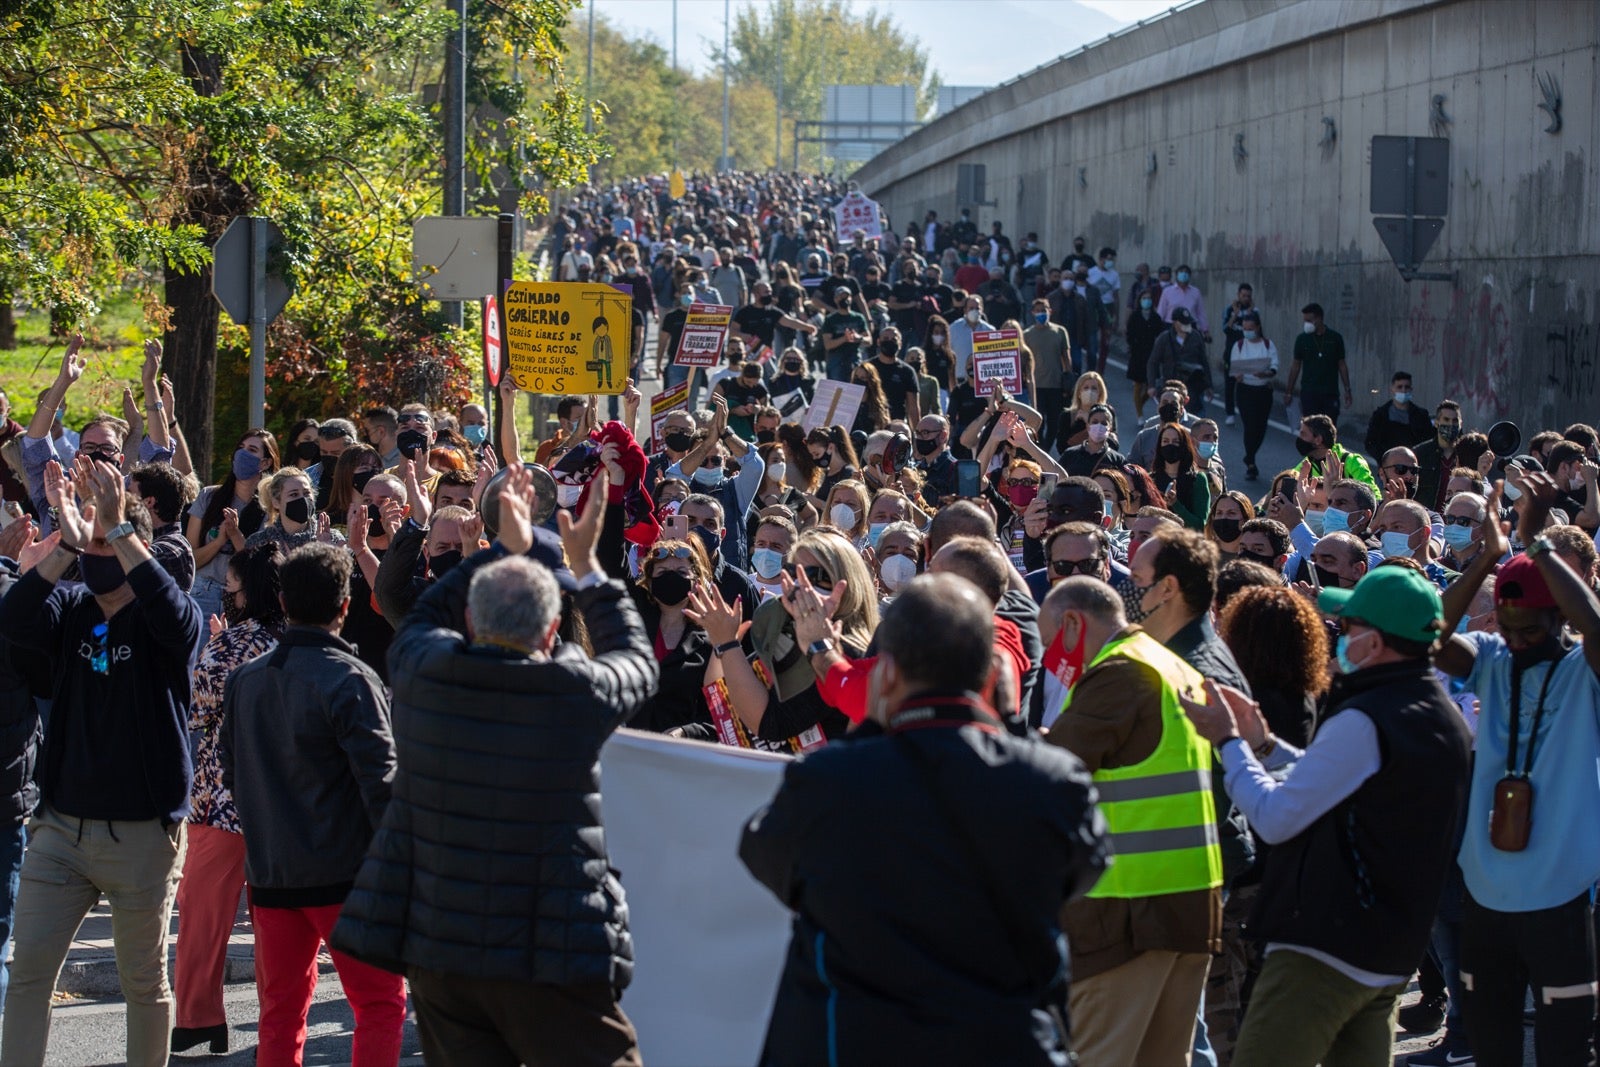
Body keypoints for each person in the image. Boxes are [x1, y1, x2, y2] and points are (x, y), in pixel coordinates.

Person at [333, 466, 654, 1066]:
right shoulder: (575, 690)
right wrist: (585, 569)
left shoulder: (424, 670)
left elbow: (419, 612)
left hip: (441, 949)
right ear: (555, 627)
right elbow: (636, 660)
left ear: (473, 620)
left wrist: (496, 548)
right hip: (552, 949)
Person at [739, 573, 1107, 1066]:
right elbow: (1085, 867)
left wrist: (871, 723)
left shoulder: (832, 780)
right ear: (991, 674)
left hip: (851, 1042)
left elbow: (765, 856)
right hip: (1004, 1045)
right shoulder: (1052, 782)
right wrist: (1013, 727)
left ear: (886, 674)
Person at [1183, 566, 1471, 1067]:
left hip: (1323, 948)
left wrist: (1228, 742)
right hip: (1389, 948)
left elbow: (1274, 818)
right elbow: (1345, 784)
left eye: (1349, 627)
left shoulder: (1367, 716)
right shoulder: (1439, 714)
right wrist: (1264, 745)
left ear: (1375, 642)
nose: (1339, 635)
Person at [0, 458, 203, 1067]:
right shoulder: (69, 608)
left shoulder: (164, 612)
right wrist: (66, 540)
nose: (94, 557)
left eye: (104, 543)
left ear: (130, 542)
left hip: (142, 834)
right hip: (60, 830)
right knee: (29, 973)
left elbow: (178, 621)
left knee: (144, 985)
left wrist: (116, 528)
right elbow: (14, 620)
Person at [1433, 479, 1600, 1067]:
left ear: (1559, 618)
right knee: (1492, 1049)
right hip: (1486, 896)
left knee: (1563, 1053)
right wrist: (1488, 555)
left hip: (1559, 898)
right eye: (1508, 626)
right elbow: (1431, 636)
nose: (1518, 639)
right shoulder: (1492, 658)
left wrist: (1539, 545)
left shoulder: (1586, 671)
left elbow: (1597, 629)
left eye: (1532, 628)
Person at [219, 542, 403, 1067]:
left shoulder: (246, 679)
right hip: (347, 876)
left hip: (273, 873)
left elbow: (234, 772)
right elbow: (382, 785)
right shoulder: (350, 679)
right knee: (380, 1003)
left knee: (280, 1013)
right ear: (345, 605)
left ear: (281, 598)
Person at [1043, 575, 1222, 1067]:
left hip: (1124, 913)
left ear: (1075, 624)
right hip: (1187, 900)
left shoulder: (1118, 672)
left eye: (1051, 641)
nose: (1053, 661)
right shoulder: (1169, 664)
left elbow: (1049, 772)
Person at [173, 542, 284, 1055]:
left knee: (202, 917)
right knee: (277, 927)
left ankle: (199, 1018)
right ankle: (278, 1023)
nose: (225, 595)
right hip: (279, 802)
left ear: (247, 592)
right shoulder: (299, 642)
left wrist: (219, 651)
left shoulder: (230, 642)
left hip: (220, 796)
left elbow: (198, 710)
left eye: (230, 587)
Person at [187, 428, 280, 619]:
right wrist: (218, 541)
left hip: (243, 599)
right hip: (202, 593)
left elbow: (261, 566)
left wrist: (235, 534)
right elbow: (189, 560)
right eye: (241, 447)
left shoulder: (272, 509)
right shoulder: (209, 497)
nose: (242, 453)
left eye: (252, 450)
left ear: (265, 462)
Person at [1228, 309, 1278, 481]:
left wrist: (1265, 374)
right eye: (1244, 327)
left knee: (1261, 426)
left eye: (1250, 327)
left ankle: (1250, 454)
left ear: (1257, 327)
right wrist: (1238, 375)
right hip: (1245, 390)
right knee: (1249, 425)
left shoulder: (1267, 344)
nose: (1247, 331)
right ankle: (1250, 461)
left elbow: (1274, 367)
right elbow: (1234, 367)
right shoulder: (1239, 345)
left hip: (1263, 390)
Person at [1286, 302, 1353, 421]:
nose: (1306, 324)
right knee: (1311, 430)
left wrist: (1347, 390)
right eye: (1305, 321)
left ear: (1319, 318)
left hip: (1330, 393)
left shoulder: (1335, 338)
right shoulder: (1302, 339)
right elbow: (1295, 366)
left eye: (1309, 320)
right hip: (1309, 392)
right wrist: (1289, 391)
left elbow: (1342, 365)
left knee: (1329, 430)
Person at [1024, 297, 1073, 451]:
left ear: (1050, 311)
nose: (1041, 313)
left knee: (1054, 422)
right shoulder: (1027, 334)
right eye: (1037, 311)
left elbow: (1066, 357)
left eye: (1043, 310)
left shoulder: (1060, 331)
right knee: (1039, 421)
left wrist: (1069, 379)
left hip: (1055, 385)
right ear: (1032, 313)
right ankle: (1041, 448)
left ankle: (1047, 448)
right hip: (1036, 385)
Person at [1296, 413, 1380, 495]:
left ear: (1318, 440)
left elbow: (1373, 496)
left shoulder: (1352, 461)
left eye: (1303, 434)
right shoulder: (1308, 464)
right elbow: (1289, 479)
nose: (1299, 437)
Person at [1365, 370, 1436, 462]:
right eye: (1399, 387)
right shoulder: (1381, 415)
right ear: (1392, 389)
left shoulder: (1421, 415)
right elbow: (1371, 443)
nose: (1403, 390)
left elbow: (1428, 441)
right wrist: (1384, 460)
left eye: (1407, 387)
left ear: (1411, 389)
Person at [1126, 285, 1166, 418]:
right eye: (1144, 298)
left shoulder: (1156, 318)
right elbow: (1129, 334)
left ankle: (1140, 403)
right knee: (1138, 384)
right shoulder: (1135, 316)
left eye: (1149, 298)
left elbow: (1160, 335)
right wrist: (1133, 345)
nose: (1147, 301)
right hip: (1137, 354)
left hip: (1151, 354)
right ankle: (1139, 414)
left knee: (1151, 385)